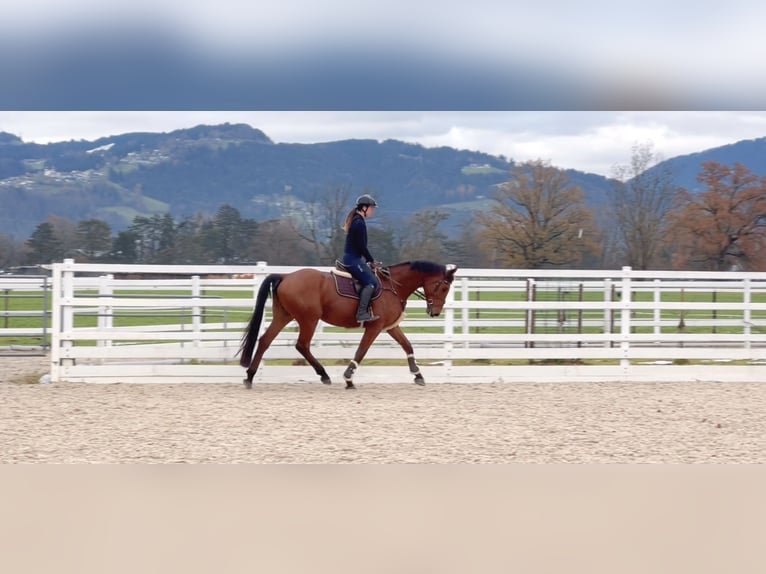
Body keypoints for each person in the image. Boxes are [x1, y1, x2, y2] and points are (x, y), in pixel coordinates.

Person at [342, 194, 380, 323]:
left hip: (353, 258)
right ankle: (361, 313)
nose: (372, 210)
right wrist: (371, 260)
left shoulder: (357, 221)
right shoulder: (359, 223)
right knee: (371, 283)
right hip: (353, 260)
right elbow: (362, 246)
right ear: (364, 208)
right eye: (371, 208)